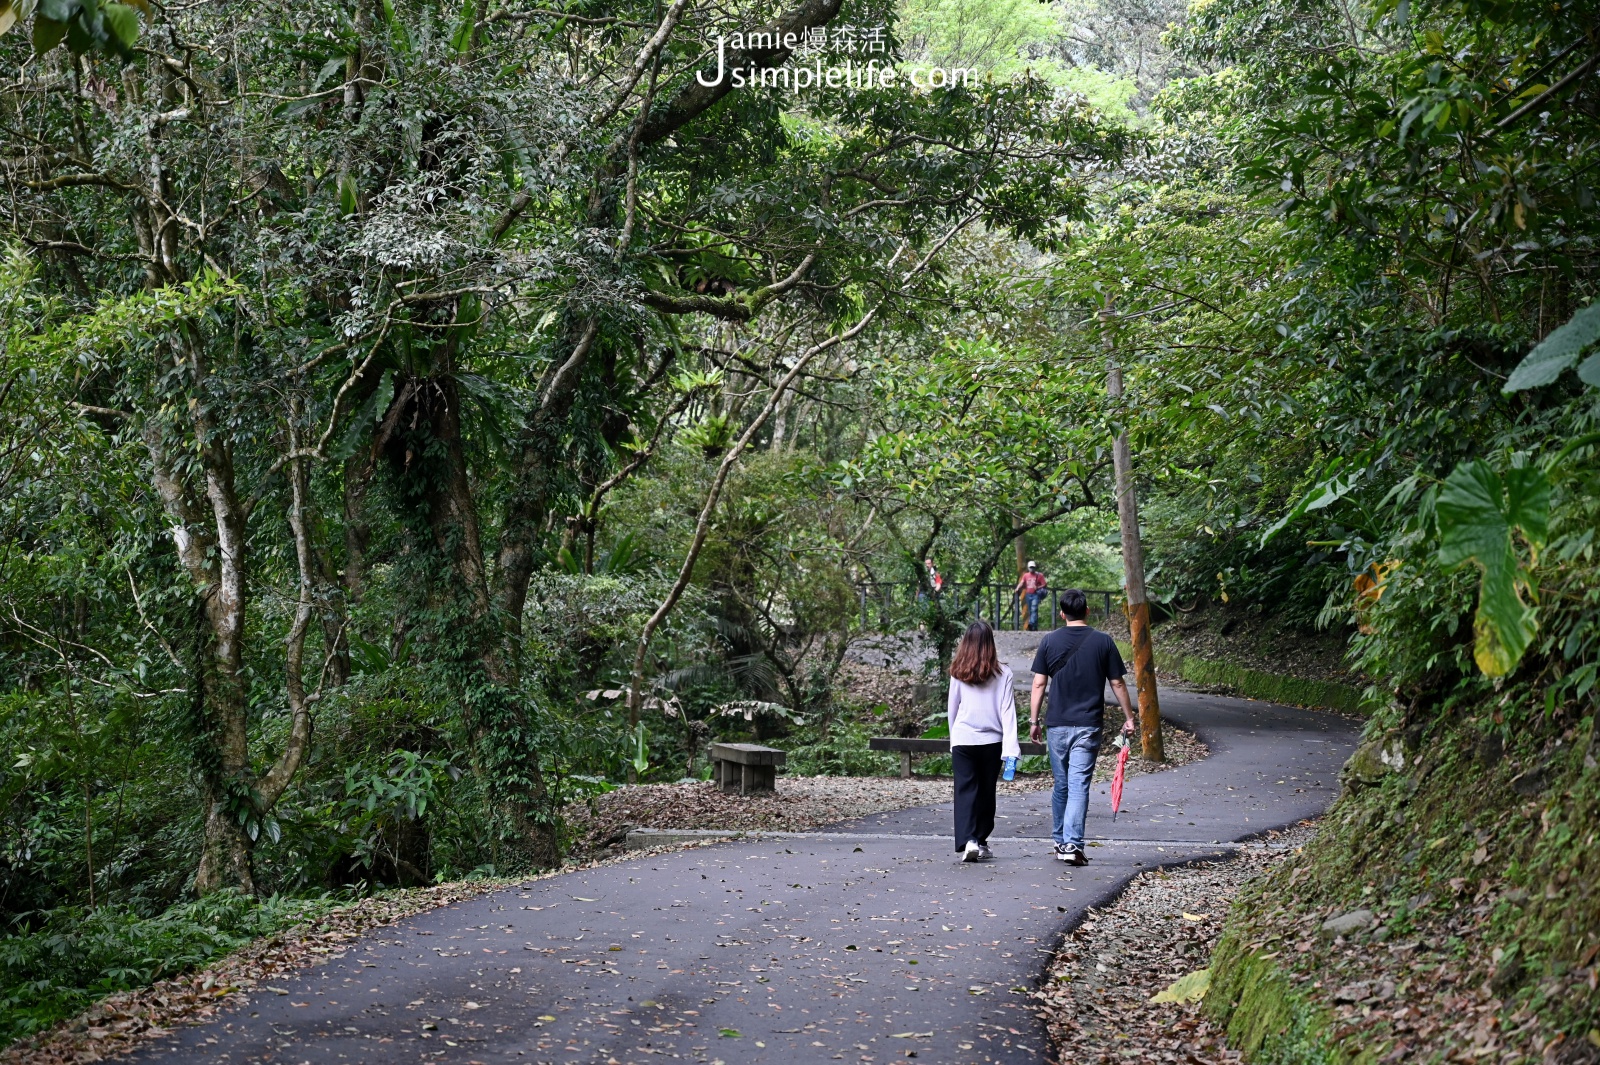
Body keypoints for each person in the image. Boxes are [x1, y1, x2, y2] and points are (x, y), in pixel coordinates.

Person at [1027, 589, 1137, 865]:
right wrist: (1129, 717)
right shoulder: (1103, 641)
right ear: (1087, 611)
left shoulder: (1049, 641)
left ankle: (1059, 840)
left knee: (1061, 784)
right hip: (1088, 725)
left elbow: (1039, 683)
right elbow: (1118, 683)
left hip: (1057, 724)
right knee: (1078, 785)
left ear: (1062, 613)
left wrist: (1033, 720)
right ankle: (1072, 845)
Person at [946, 620, 1020, 862]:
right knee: (986, 793)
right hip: (992, 741)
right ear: (990, 643)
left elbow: (952, 708)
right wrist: (1011, 747)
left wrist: (953, 740)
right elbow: (1008, 712)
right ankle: (980, 839)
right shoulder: (1003, 673)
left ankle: (970, 841)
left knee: (965, 791)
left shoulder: (958, 671)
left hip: (963, 739)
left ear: (966, 643)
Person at [1014, 560, 1049, 631]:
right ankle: (1034, 627)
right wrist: (1017, 588)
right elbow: (1022, 582)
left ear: (1035, 567)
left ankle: (1031, 623)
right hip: (1028, 594)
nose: (1031, 569)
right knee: (1031, 610)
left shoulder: (1039, 575)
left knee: (1034, 609)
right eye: (1030, 567)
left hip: (1035, 594)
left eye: (1033, 567)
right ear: (1028, 568)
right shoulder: (1026, 575)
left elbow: (1044, 584)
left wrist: (1038, 587)